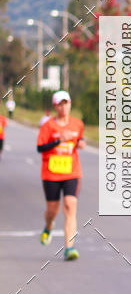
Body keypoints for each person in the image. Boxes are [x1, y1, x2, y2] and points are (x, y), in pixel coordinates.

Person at [37, 90, 86, 260]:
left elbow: (80, 139)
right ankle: (49, 226)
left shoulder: (77, 123)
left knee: (70, 205)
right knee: (52, 210)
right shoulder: (48, 126)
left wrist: (81, 143)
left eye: (66, 103)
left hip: (71, 171)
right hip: (51, 173)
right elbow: (40, 148)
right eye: (60, 103)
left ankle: (69, 248)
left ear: (70, 104)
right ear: (55, 106)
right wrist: (59, 140)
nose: (64, 107)